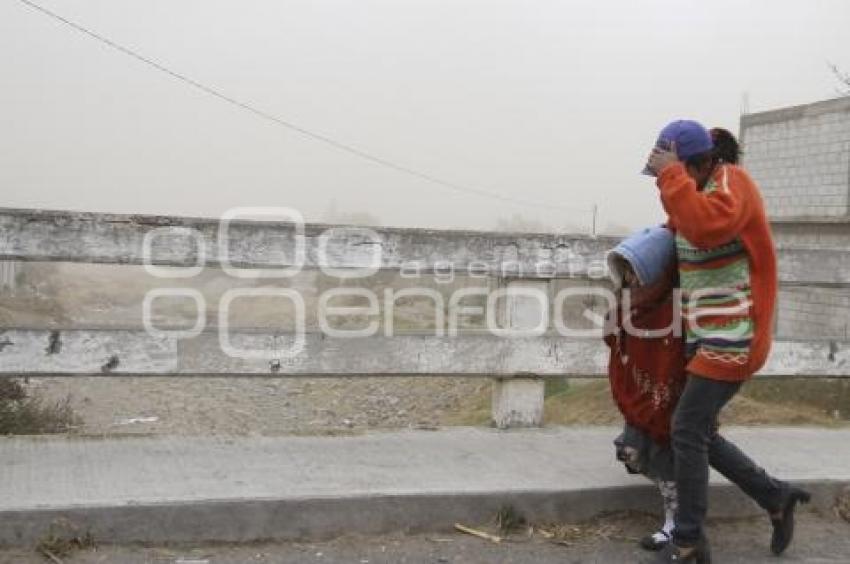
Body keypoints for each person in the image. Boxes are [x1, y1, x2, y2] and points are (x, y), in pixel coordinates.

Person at [641, 121, 811, 564]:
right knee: (698, 433)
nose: (668, 183)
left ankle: (690, 537)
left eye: (675, 172)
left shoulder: (733, 184)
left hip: (736, 335)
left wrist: (671, 177)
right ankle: (775, 497)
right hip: (704, 335)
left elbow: (705, 227)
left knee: (686, 429)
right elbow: (677, 231)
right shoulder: (691, 190)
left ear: (698, 163)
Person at [604, 226, 688, 551]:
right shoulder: (630, 306)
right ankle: (773, 494)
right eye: (626, 274)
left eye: (638, 274)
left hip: (666, 401)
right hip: (640, 400)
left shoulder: (671, 309)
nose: (631, 282)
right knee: (635, 454)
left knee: (665, 460)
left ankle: (674, 523)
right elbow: (615, 339)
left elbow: (671, 358)